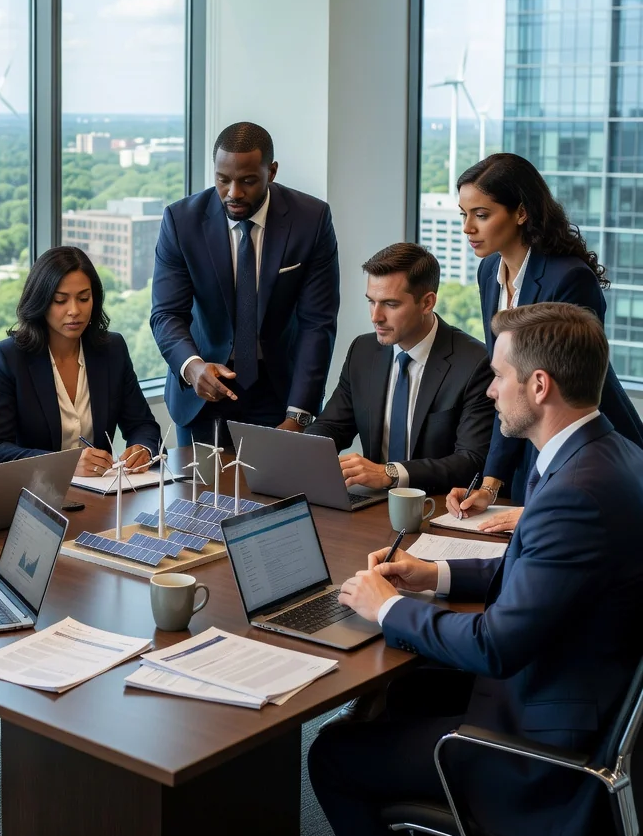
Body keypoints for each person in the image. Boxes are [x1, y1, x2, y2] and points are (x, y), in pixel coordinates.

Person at [310, 303, 643, 836]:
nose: (489, 392)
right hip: (574, 692)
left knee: (333, 753)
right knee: (406, 691)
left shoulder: (576, 491)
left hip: (542, 753)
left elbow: (496, 645)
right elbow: (544, 573)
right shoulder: (609, 456)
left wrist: (387, 607)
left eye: (498, 376)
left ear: (539, 386)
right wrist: (432, 575)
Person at [445, 153, 643, 530]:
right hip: (529, 429)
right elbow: (508, 380)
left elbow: (561, 392)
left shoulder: (568, 278)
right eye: (463, 214)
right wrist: (489, 483)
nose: (468, 228)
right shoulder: (490, 270)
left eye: (482, 215)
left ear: (521, 212)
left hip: (580, 442)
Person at [150, 121, 340, 449]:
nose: (234, 193)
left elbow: (317, 324)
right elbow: (167, 314)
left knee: (283, 497)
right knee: (200, 497)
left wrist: (299, 415)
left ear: (272, 171)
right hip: (204, 389)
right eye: (223, 180)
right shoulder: (181, 222)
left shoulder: (312, 220)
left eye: (248, 181)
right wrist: (192, 367)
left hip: (280, 391)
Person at [306, 243, 494, 496]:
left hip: (436, 504)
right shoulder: (363, 351)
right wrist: (303, 453)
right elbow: (332, 427)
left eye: (390, 304)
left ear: (427, 303)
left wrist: (389, 474)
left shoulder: (474, 362)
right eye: (371, 302)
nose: (376, 316)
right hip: (370, 504)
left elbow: (471, 461)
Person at [0, 246, 161, 472]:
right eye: (60, 300)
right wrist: (65, 465)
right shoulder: (6, 358)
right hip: (35, 497)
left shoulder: (112, 350)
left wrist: (142, 448)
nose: (74, 310)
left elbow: (143, 424)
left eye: (84, 298)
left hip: (101, 494)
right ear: (41, 302)